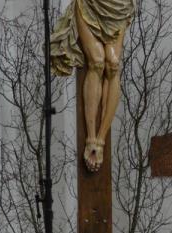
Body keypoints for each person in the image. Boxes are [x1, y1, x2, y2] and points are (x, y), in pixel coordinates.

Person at [50, 0, 136, 172]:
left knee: (113, 64)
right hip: (89, 3)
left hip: (118, 6)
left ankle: (101, 139)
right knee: (97, 62)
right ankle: (90, 139)